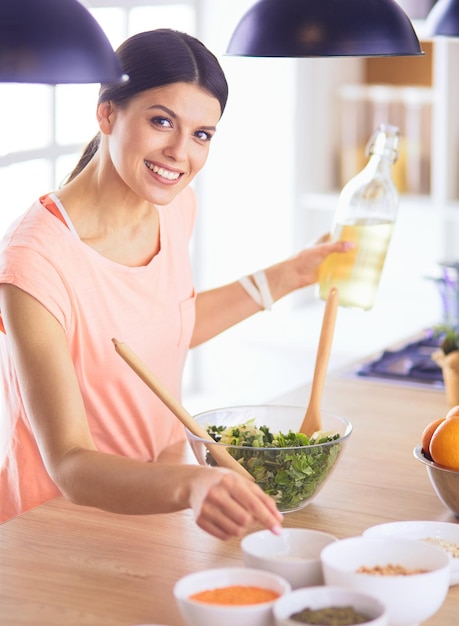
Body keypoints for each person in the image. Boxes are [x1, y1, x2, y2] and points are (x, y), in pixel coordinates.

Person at [0, 29, 352, 538]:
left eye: (201, 134)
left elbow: (163, 326)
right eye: (161, 121)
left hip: (154, 505)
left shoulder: (172, 207)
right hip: (54, 525)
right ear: (107, 113)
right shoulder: (33, 262)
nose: (179, 154)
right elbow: (70, 463)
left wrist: (290, 274)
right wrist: (189, 486)